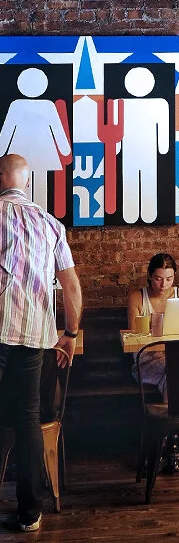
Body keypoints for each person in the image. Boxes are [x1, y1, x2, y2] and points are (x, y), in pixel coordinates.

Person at [0, 153, 82, 532]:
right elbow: (72, 288)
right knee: (29, 418)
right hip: (34, 335)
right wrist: (70, 334)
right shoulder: (50, 225)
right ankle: (30, 513)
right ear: (25, 182)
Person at [127, 253, 179, 469]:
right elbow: (135, 335)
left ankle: (166, 439)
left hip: (176, 358)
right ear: (150, 276)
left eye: (169, 279)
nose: (164, 284)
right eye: (159, 278)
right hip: (146, 361)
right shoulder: (137, 298)